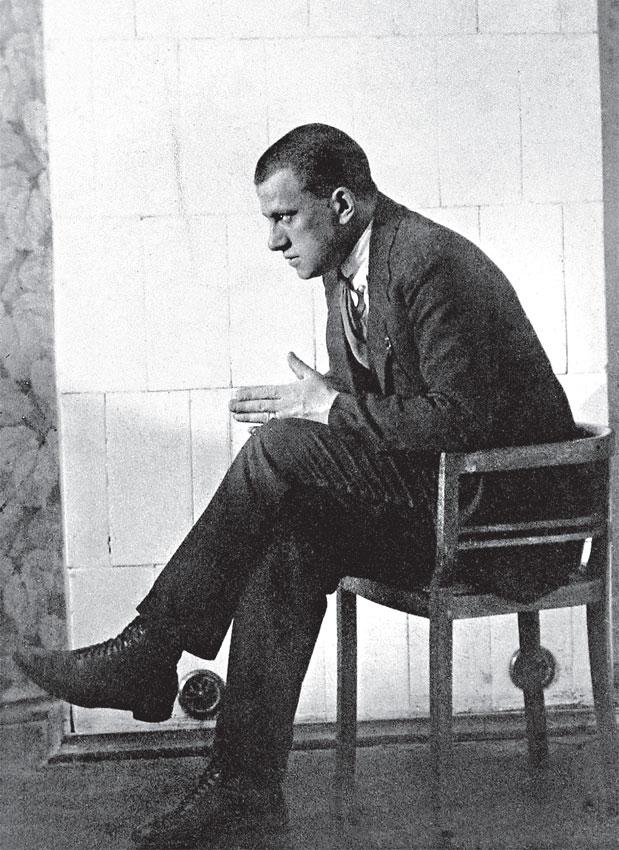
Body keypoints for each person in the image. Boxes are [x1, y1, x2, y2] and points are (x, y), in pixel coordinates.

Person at [15, 124, 580, 848]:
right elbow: (380, 418)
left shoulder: (428, 262)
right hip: (441, 501)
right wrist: (325, 410)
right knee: (291, 535)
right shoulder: (348, 268)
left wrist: (325, 410)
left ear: (340, 204)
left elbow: (462, 418)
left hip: (504, 527)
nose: (273, 241)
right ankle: (243, 790)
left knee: (281, 446)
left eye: (285, 217)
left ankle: (149, 652)